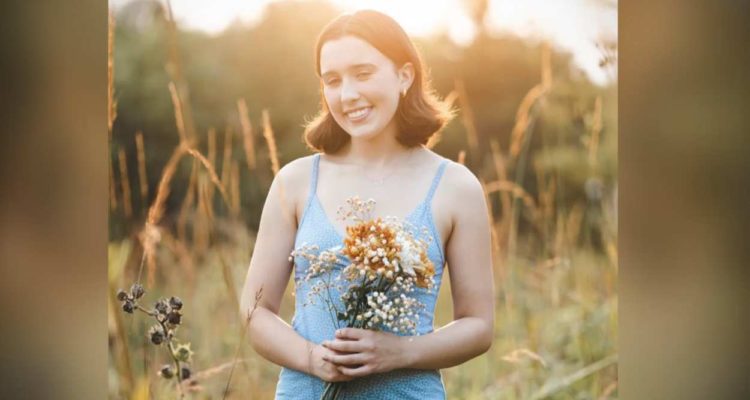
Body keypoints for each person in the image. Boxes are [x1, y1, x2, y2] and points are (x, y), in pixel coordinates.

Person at [240, 9, 494, 399]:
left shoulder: (455, 187)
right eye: (333, 80)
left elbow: (478, 325)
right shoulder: (294, 181)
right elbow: (254, 312)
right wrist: (311, 358)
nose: (348, 94)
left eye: (363, 74)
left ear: (404, 76)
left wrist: (400, 353)